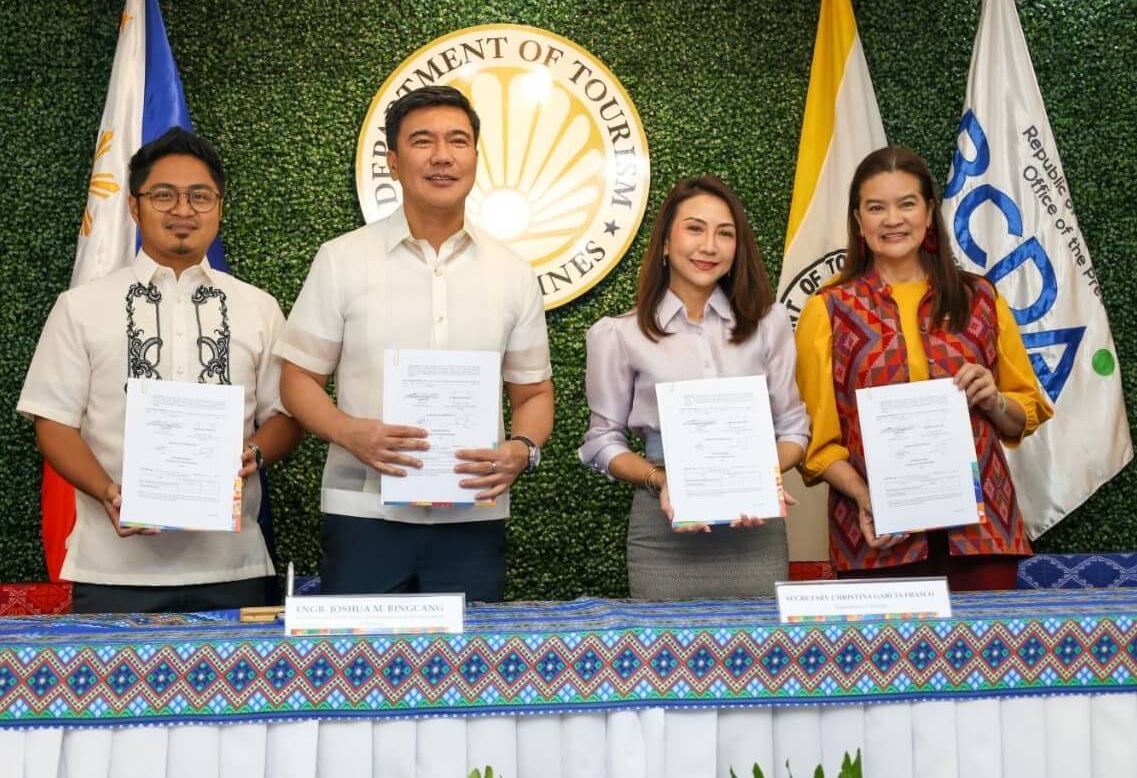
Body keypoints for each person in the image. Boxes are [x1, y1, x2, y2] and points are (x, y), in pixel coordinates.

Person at [276, 85, 553, 603]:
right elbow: (297, 379)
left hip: (473, 514)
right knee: (359, 674)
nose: (442, 156)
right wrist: (348, 431)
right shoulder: (342, 260)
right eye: (423, 141)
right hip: (364, 515)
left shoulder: (513, 273)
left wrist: (522, 450)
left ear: (475, 157)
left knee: (470, 676)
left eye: (458, 141)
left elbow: (534, 395)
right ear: (394, 161)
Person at [18, 127, 303, 614]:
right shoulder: (81, 307)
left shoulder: (258, 308)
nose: (183, 210)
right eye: (163, 196)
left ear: (219, 206)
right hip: (113, 565)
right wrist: (109, 492)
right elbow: (53, 422)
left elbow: (289, 417)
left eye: (199, 196)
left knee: (232, 694)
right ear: (134, 207)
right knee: (112, 695)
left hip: (231, 566)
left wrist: (254, 450)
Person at [794, 146, 1054, 591]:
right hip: (876, 537)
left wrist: (993, 399)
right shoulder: (829, 310)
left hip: (983, 534)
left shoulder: (980, 298)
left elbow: (1023, 411)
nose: (892, 219)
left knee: (987, 661)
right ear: (858, 220)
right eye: (876, 207)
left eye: (906, 203)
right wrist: (864, 496)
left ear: (929, 212)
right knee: (882, 663)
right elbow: (818, 445)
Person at [578, 176, 810, 599]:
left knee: (760, 662)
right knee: (664, 662)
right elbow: (601, 442)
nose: (710, 246)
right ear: (665, 242)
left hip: (754, 530)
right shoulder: (619, 335)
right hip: (664, 534)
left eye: (725, 233)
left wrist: (758, 474)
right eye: (695, 229)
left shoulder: (769, 324)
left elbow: (794, 428)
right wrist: (659, 478)